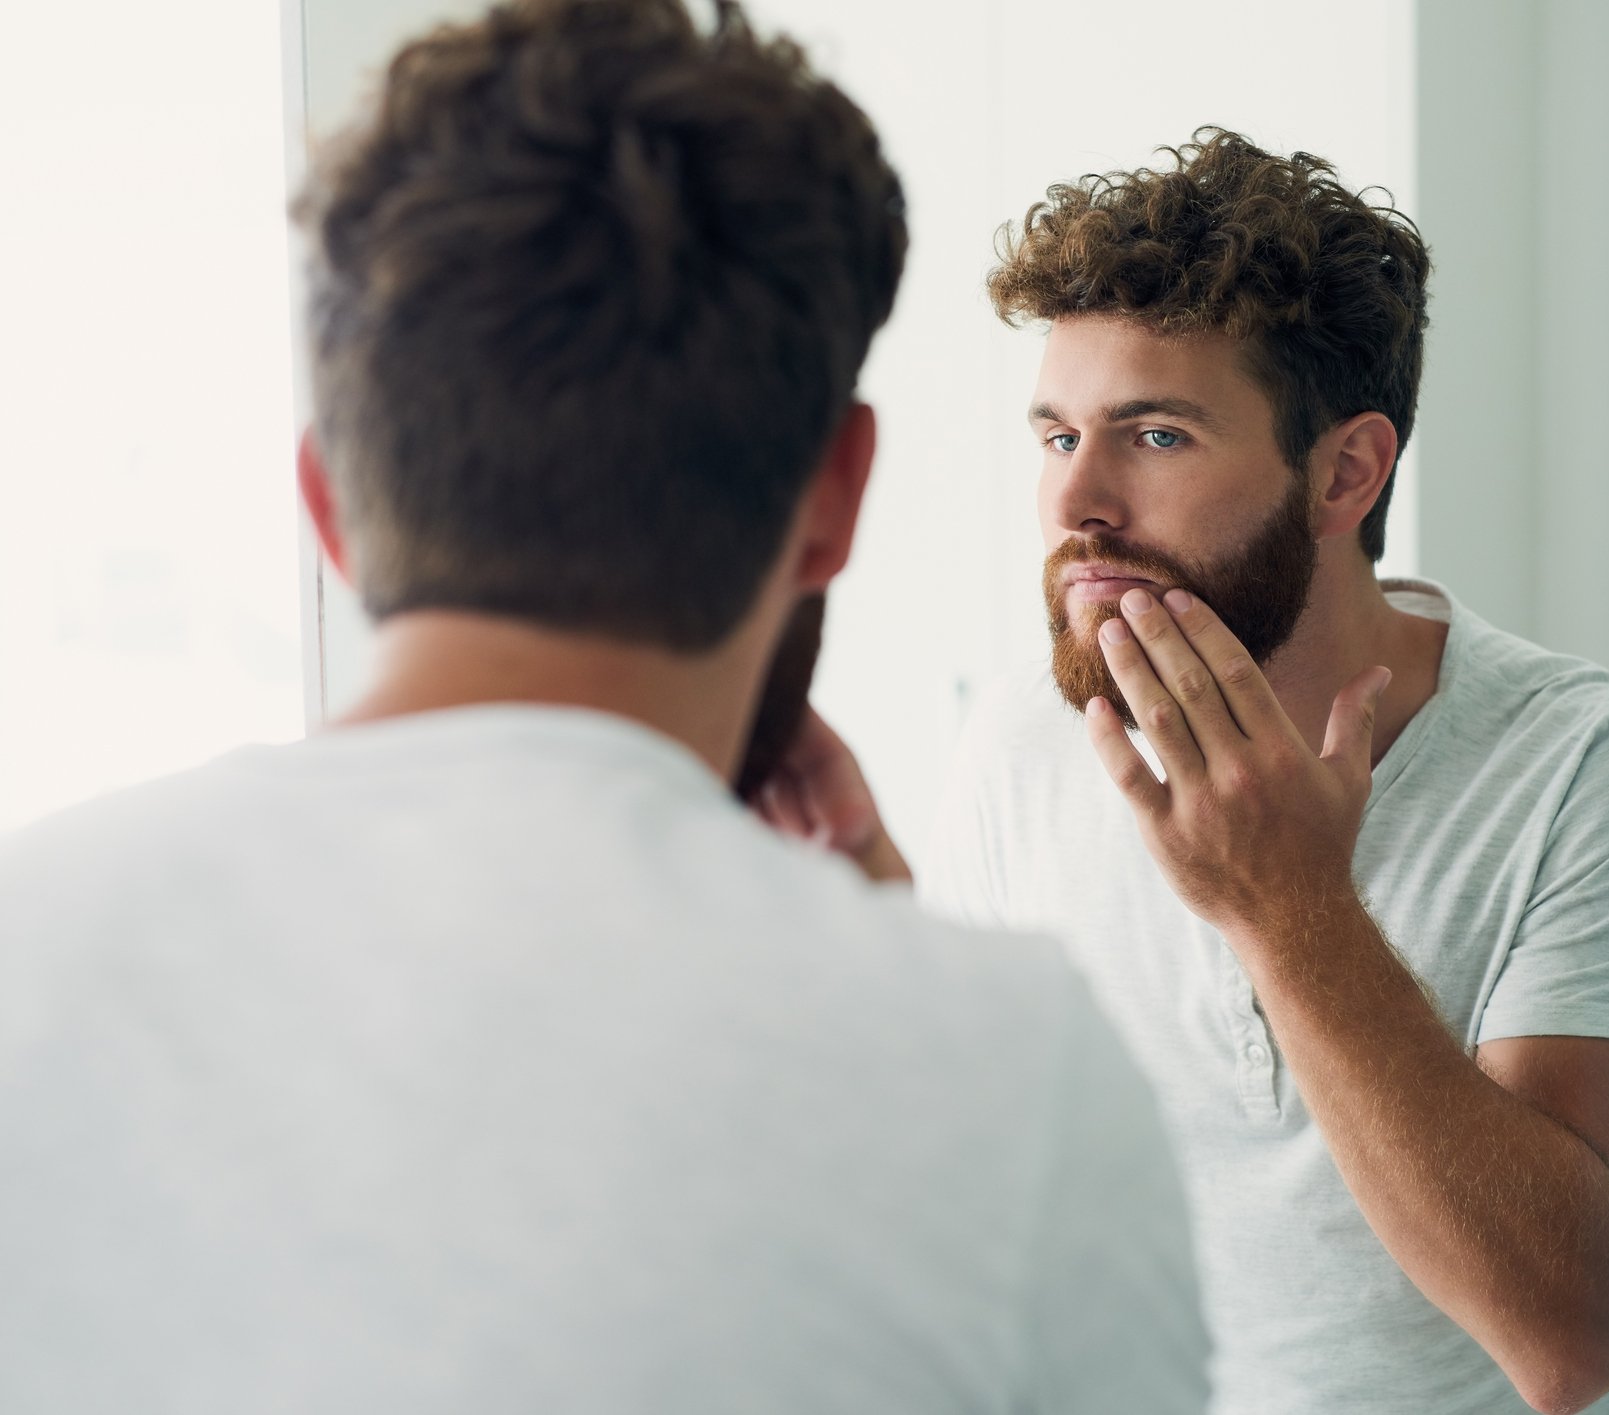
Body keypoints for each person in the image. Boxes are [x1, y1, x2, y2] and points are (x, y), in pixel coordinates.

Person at [0, 4, 1210, 1410]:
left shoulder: (29, 943)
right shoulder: (1017, 1080)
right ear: (837, 495)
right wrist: (899, 977)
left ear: (327, 495)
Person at [771, 131, 1609, 1415]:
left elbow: (1569, 1336)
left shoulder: (1587, 768)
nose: (1078, 505)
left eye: (1153, 435)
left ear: (1345, 472)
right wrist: (871, 895)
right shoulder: (1027, 735)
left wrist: (1290, 909)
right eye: (1056, 438)